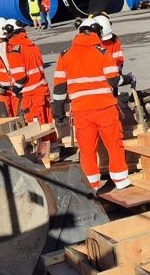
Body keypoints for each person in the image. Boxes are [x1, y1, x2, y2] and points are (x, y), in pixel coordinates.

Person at [52, 17, 129, 192]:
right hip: (105, 108)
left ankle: (91, 187)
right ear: (97, 33)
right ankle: (121, 181)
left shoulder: (64, 55)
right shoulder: (102, 52)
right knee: (114, 146)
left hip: (81, 111)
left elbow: (59, 87)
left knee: (87, 151)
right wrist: (128, 79)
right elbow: (114, 80)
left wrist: (58, 113)